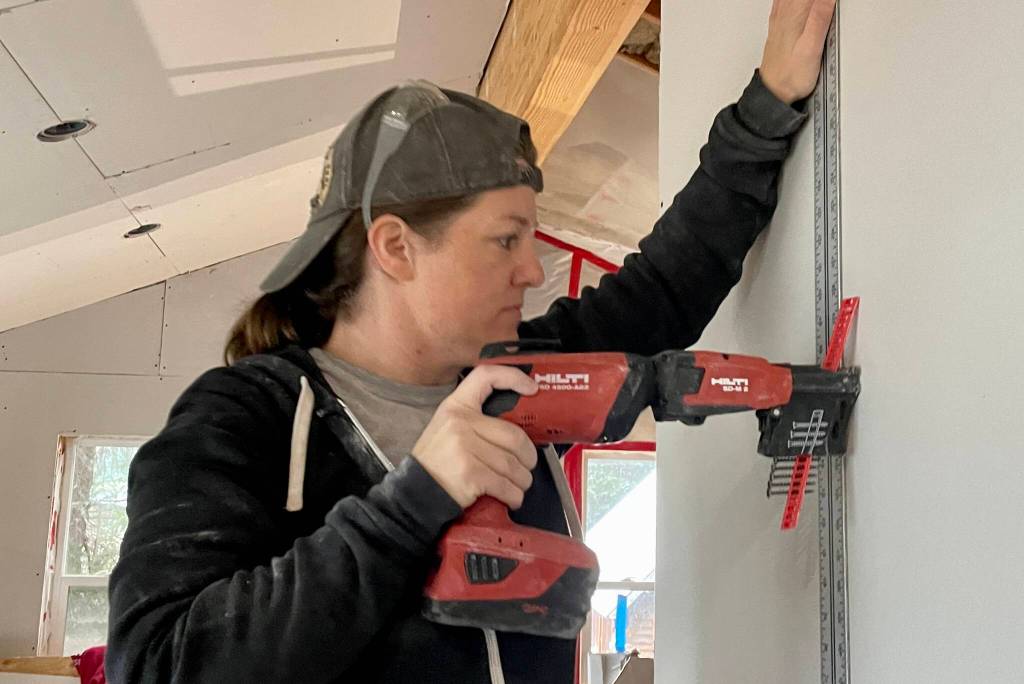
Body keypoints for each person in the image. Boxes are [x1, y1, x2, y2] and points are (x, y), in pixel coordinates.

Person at [106, 1, 836, 681]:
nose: (531, 267)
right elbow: (158, 662)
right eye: (505, 240)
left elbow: (666, 283)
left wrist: (769, 104)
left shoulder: (524, 378)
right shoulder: (244, 418)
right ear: (395, 248)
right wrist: (414, 502)